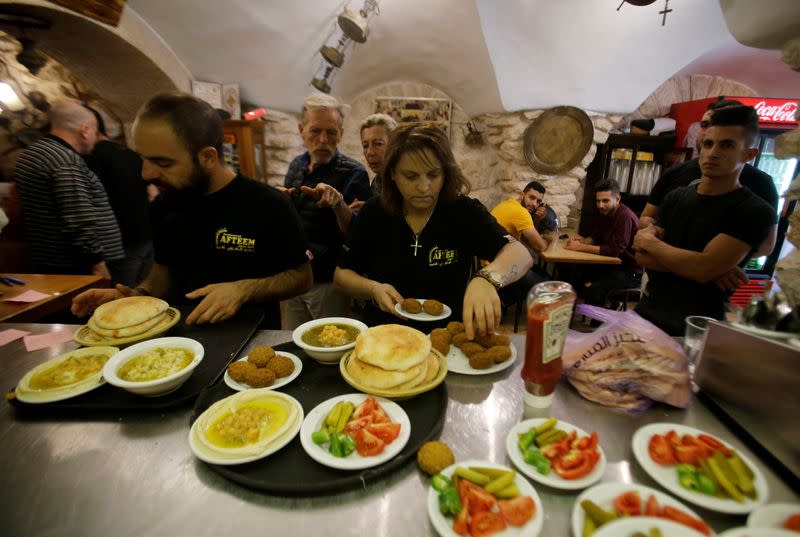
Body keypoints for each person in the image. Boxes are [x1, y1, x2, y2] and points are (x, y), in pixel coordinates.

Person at [72, 93, 312, 327]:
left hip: (248, 344)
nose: (146, 174)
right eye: (143, 159)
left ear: (208, 157)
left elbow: (301, 278)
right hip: (176, 343)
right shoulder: (164, 205)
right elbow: (162, 275)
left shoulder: (267, 203)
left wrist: (243, 289)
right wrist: (135, 297)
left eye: (163, 163)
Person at [333, 123, 533, 338]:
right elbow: (341, 275)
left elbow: (521, 254)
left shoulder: (463, 211)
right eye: (410, 176)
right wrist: (372, 288)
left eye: (433, 174)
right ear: (391, 174)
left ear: (446, 173)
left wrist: (487, 278)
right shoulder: (375, 212)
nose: (424, 187)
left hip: (446, 338)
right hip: (383, 335)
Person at [634, 105, 776, 335]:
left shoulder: (754, 210)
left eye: (727, 145)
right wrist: (708, 268)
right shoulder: (676, 195)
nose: (713, 153)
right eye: (709, 144)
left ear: (748, 154)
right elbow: (642, 257)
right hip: (646, 315)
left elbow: (701, 268)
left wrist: (651, 243)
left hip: (696, 328)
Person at [281, 94, 371, 328]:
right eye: (315, 131)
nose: (323, 139)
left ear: (340, 133)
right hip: (293, 275)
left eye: (331, 132)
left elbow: (359, 234)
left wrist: (338, 204)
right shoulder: (296, 165)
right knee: (289, 341)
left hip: (327, 281)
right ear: (302, 130)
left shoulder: (354, 172)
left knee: (329, 345)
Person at [14, 99, 123, 278]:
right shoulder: (66, 161)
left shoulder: (32, 153)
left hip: (49, 259)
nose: (96, 138)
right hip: (77, 265)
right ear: (85, 130)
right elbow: (78, 217)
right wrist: (97, 262)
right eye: (96, 132)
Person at [83, 106, 154, 288]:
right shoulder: (131, 154)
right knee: (145, 293)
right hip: (146, 235)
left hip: (120, 243)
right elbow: (152, 193)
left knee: (124, 297)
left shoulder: (92, 159)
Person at [565, 179, 642, 307]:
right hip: (613, 266)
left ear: (617, 199)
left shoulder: (625, 216)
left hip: (630, 271)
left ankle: (599, 323)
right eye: (598, 201)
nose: (600, 205)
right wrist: (582, 241)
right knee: (573, 272)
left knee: (595, 288)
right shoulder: (605, 212)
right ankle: (574, 312)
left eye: (605, 201)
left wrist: (580, 247)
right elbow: (595, 237)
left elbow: (615, 250)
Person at [350, 112, 398, 211]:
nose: (370, 152)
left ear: (394, 145)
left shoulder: (405, 181)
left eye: (378, 144)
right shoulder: (377, 182)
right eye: (365, 146)